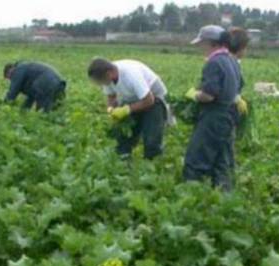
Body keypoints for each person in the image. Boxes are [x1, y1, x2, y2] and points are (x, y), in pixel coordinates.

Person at [182, 25, 242, 192]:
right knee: (222, 161)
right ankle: (224, 198)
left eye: (202, 44)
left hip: (213, 116)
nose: (201, 48)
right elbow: (240, 86)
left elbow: (209, 95)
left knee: (197, 158)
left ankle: (191, 195)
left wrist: (194, 94)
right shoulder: (232, 60)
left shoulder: (214, 63)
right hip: (229, 115)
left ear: (211, 43)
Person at [87, 58, 168, 160]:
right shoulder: (108, 78)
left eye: (100, 81)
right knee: (124, 134)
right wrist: (111, 109)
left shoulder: (131, 75)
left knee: (151, 138)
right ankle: (124, 161)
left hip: (153, 97)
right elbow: (111, 96)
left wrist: (127, 110)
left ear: (108, 74)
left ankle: (153, 162)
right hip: (132, 98)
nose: (101, 84)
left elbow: (149, 100)